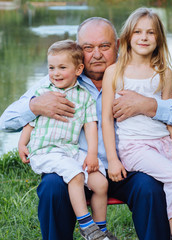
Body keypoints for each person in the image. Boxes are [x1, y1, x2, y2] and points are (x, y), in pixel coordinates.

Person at [0, 17, 172, 240]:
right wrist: (35, 105)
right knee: (52, 187)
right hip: (78, 169)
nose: (97, 54)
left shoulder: (134, 75)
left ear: (119, 45)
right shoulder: (60, 79)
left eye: (104, 46)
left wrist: (149, 105)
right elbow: (6, 121)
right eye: (88, 48)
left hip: (126, 167)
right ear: (77, 50)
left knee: (149, 187)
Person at [102, 8, 172, 240]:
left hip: (163, 144)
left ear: (159, 39)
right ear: (127, 37)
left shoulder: (163, 72)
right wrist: (113, 159)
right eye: (138, 32)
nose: (144, 37)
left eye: (150, 33)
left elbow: (169, 116)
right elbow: (106, 119)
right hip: (135, 147)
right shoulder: (114, 72)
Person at [17, 39, 115, 240]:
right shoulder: (43, 93)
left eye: (62, 67)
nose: (55, 73)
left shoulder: (84, 97)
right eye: (51, 67)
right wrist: (21, 143)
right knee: (76, 175)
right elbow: (30, 122)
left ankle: (101, 229)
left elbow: (90, 127)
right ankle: (87, 226)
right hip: (46, 151)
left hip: (69, 150)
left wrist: (92, 155)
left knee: (100, 183)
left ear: (79, 69)